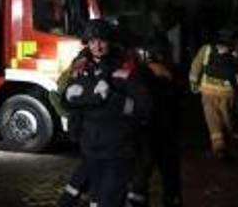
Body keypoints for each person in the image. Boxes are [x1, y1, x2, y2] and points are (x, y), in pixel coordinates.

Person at [58, 18, 152, 207]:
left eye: (102, 41)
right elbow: (68, 103)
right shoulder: (81, 67)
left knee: (109, 200)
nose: (97, 46)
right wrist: (69, 99)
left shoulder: (125, 68)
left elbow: (145, 107)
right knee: (96, 200)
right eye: (92, 41)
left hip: (118, 150)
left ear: (110, 42)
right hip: (91, 148)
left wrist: (113, 101)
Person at [128, 36, 183, 207]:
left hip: (147, 134)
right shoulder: (171, 73)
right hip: (164, 134)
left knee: (140, 180)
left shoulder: (138, 74)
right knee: (169, 179)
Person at [189, 26, 238, 160]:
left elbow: (196, 65)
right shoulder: (234, 52)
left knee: (212, 118)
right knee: (227, 119)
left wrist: (193, 82)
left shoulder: (206, 49)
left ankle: (219, 146)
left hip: (208, 90)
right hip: (227, 93)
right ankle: (226, 146)